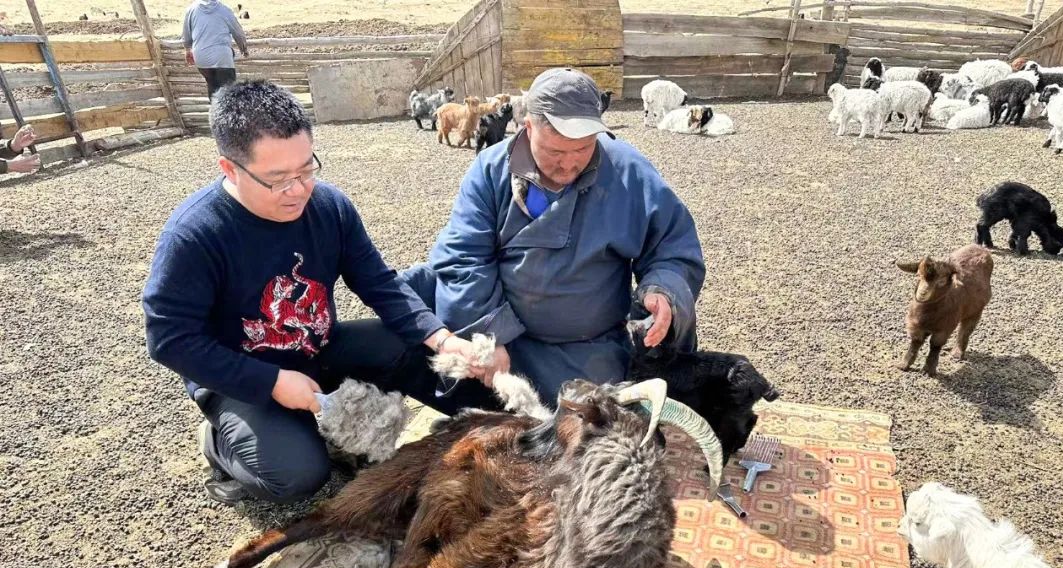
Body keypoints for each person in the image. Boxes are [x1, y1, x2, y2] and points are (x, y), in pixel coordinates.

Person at [143, 80, 482, 506]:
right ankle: (219, 442)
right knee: (297, 475)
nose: (299, 189)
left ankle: (491, 424)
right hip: (243, 373)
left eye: (306, 169)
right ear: (230, 169)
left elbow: (379, 282)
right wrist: (271, 382)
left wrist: (444, 339)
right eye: (278, 179)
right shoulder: (194, 235)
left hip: (314, 347)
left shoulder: (329, 207)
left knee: (409, 344)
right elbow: (169, 340)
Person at [402, 67, 706, 406]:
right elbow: (463, 258)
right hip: (501, 332)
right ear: (527, 127)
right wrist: (493, 337)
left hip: (588, 348)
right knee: (406, 319)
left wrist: (662, 289)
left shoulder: (627, 171)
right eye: (555, 153)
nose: (569, 165)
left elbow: (673, 247)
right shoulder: (490, 171)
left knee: (597, 422)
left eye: (583, 150)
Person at [182, 0, 249, 101]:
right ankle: (227, 114)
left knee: (212, 87)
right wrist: (243, 49)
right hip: (222, 57)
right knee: (229, 92)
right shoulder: (224, 10)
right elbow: (238, 32)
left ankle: (214, 113)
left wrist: (187, 49)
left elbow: (186, 34)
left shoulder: (191, 9)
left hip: (201, 58)